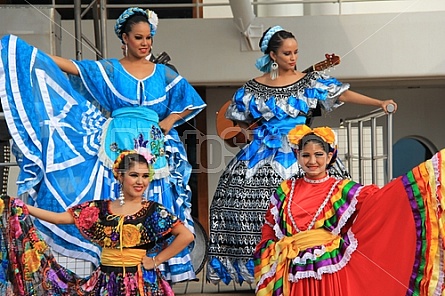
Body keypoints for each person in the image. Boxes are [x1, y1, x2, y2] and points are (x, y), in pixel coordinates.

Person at [0, 7, 205, 283]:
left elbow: (189, 99)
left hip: (154, 145)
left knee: (156, 204)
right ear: (125, 38)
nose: (145, 43)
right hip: (115, 144)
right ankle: (111, 270)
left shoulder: (164, 74)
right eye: (138, 37)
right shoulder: (110, 69)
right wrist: (34, 56)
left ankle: (154, 269)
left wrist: (170, 119)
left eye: (148, 38)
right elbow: (73, 68)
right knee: (113, 202)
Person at [207, 25, 397, 285]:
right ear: (273, 56)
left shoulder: (310, 81)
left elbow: (342, 92)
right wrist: (250, 134)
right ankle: (266, 269)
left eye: (296, 52)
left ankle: (316, 266)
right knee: (234, 203)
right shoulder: (251, 88)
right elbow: (237, 120)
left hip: (303, 149)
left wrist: (378, 103)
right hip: (261, 151)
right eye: (287, 53)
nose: (294, 57)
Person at [254, 125, 445, 295]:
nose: (312, 160)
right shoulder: (285, 190)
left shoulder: (343, 189)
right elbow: (269, 228)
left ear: (329, 157)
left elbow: (379, 203)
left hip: (328, 272)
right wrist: (271, 251)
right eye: (306, 155)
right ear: (298, 156)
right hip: (291, 272)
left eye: (319, 154)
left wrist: (410, 186)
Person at [0, 151, 194, 295]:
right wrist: (21, 206)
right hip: (106, 281)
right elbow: (61, 218)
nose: (140, 182)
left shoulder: (153, 210)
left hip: (143, 283)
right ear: (120, 175)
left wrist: (156, 260)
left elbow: (186, 235)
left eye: (145, 176)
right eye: (134, 175)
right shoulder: (100, 209)